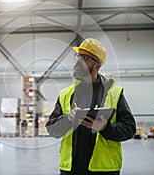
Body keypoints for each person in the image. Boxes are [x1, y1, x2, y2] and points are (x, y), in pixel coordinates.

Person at [46, 38, 136, 175]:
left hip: (103, 170)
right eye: (78, 56)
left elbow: (129, 128)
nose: (78, 61)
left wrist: (106, 128)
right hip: (71, 170)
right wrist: (67, 119)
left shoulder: (114, 93)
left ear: (97, 66)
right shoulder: (66, 94)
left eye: (85, 58)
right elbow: (52, 129)